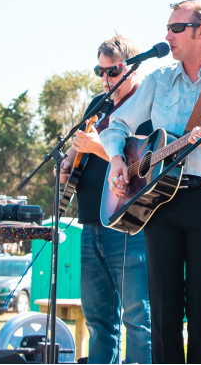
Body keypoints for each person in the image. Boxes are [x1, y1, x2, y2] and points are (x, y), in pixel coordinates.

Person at [101, 0, 201, 364]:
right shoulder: (158, 78)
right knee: (163, 313)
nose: (167, 36)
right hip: (158, 203)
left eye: (176, 29)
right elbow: (117, 124)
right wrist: (119, 158)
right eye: (167, 28)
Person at [60, 35, 152, 364]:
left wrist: (96, 147)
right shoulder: (96, 105)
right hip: (90, 222)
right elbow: (76, 152)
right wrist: (68, 166)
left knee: (137, 319)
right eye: (99, 72)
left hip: (128, 223)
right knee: (100, 321)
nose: (105, 80)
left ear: (131, 68)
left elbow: (144, 163)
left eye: (112, 73)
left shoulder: (147, 103)